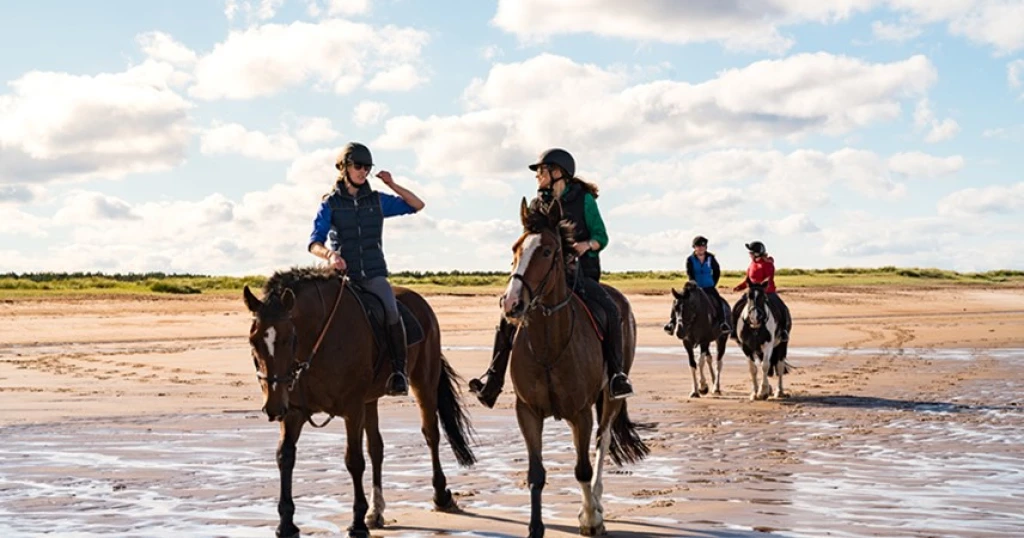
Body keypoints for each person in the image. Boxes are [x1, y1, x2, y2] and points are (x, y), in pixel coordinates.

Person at [468, 148, 634, 407]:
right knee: (508, 318)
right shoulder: (537, 204)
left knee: (611, 310)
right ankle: (493, 379)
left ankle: (616, 376)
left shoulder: (585, 200)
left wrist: (585, 245)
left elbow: (602, 237)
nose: (538, 177)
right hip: (544, 278)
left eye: (542, 172)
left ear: (558, 173)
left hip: (581, 274)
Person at [307, 142, 425, 396]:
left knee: (392, 312)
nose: (363, 171)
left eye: (367, 167)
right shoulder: (330, 204)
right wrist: (329, 255)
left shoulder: (378, 201)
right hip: (343, 277)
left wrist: (392, 184)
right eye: (358, 166)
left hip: (373, 275)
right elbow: (314, 243)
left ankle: (398, 373)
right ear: (344, 168)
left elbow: (417, 205)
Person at [664, 235, 730, 335]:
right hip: (695, 287)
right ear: (694, 247)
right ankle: (672, 323)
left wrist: (713, 283)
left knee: (719, 301)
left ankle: (722, 323)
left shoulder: (710, 258)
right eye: (698, 246)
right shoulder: (690, 259)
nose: (701, 248)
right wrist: (694, 285)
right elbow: (690, 274)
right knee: (678, 300)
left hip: (709, 287)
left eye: (703, 246)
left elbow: (717, 271)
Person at [731, 241, 790, 342]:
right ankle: (734, 331)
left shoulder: (768, 264)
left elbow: (768, 279)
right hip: (752, 292)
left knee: (782, 307)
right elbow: (748, 280)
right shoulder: (752, 264)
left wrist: (759, 288)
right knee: (737, 307)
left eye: (751, 252)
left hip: (767, 291)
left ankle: (783, 331)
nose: (749, 254)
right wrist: (740, 287)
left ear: (757, 253)